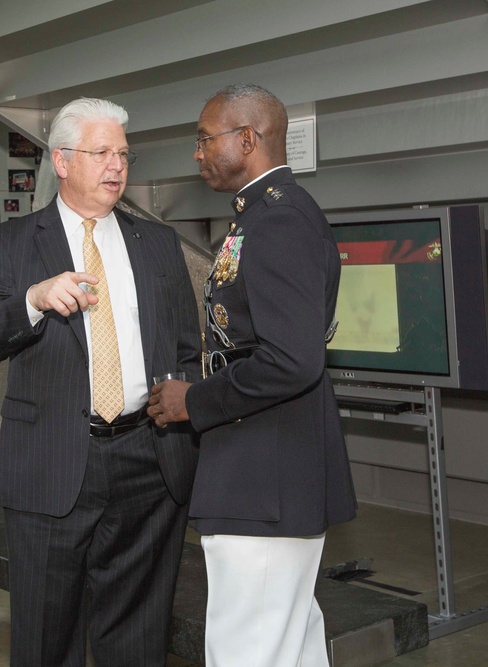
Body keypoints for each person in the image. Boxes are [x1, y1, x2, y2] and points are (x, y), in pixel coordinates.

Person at [0, 97, 201, 667]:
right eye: (101, 153)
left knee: (140, 638)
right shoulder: (14, 242)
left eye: (123, 154)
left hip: (148, 461)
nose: (116, 166)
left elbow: (186, 349)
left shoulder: (159, 244)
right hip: (53, 463)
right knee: (47, 639)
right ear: (63, 161)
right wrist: (33, 300)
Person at [147, 83, 357, 666]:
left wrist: (197, 400)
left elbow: (293, 360)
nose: (197, 153)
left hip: (265, 472)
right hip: (265, 464)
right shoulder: (262, 214)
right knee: (287, 645)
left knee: (249, 649)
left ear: (247, 139)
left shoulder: (279, 221)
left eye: (204, 139)